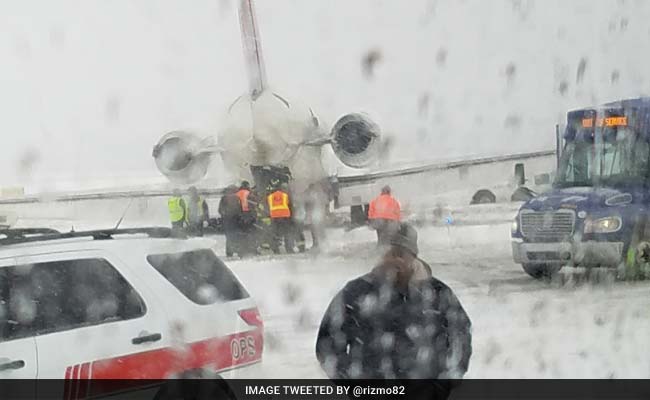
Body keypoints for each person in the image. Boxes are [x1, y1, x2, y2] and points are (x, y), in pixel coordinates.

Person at [315, 223, 472, 392]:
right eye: (388, 253)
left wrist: (444, 384)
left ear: (413, 257)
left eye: (401, 254)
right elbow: (327, 345)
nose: (394, 260)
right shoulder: (355, 292)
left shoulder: (437, 293)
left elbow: (460, 336)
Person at [267, 183, 295, 254]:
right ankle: (289, 249)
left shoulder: (270, 197)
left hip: (275, 217)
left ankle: (276, 249)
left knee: (276, 234)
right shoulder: (285, 195)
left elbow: (268, 207)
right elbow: (290, 205)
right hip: (285, 217)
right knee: (287, 233)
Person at [218, 185, 242, 257]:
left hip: (227, 221)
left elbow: (220, 210)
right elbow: (240, 209)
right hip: (235, 220)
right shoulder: (237, 198)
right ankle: (238, 251)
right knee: (236, 236)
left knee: (229, 237)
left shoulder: (224, 198)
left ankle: (229, 252)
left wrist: (224, 215)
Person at [304, 182, 329, 251]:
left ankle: (317, 243)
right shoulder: (320, 194)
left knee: (314, 229)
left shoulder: (309, 194)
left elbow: (306, 204)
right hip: (318, 213)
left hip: (314, 214)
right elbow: (326, 203)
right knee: (318, 228)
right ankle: (320, 243)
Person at [236, 180, 257, 256]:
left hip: (240, 215)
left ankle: (241, 250)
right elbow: (254, 205)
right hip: (249, 215)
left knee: (241, 234)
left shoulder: (237, 194)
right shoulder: (250, 194)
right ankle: (252, 249)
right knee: (251, 233)